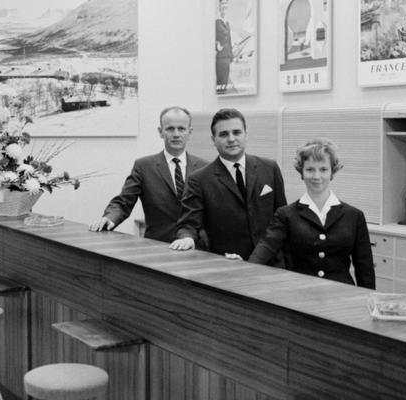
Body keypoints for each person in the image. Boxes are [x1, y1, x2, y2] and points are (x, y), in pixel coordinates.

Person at [247, 138, 376, 288]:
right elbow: (267, 246)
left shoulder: (354, 216)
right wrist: (245, 267)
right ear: (301, 172)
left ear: (332, 172)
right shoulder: (286, 214)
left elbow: (365, 269)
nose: (316, 176)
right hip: (300, 292)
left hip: (342, 293)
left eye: (323, 169)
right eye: (310, 170)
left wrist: (368, 298)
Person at [171, 109, 287, 261]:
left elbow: (282, 220)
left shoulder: (270, 168)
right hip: (227, 263)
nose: (231, 139)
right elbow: (188, 224)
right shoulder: (199, 180)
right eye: (224, 134)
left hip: (271, 262)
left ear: (246, 134)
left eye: (237, 132)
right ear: (213, 140)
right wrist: (187, 238)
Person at [90, 107, 210, 243]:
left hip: (196, 247)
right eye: (170, 129)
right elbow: (124, 201)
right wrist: (110, 217)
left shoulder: (205, 167)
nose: (176, 134)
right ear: (160, 132)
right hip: (158, 245)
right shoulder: (143, 166)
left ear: (190, 132)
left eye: (181, 129)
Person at [215, 0, 232, 95]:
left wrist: (231, 58)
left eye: (226, 3)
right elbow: (211, 38)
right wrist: (216, 45)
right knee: (220, 85)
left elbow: (229, 41)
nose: (224, 5)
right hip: (220, 59)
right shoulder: (217, 22)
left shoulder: (227, 24)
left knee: (225, 84)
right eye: (222, 4)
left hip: (227, 58)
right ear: (219, 7)